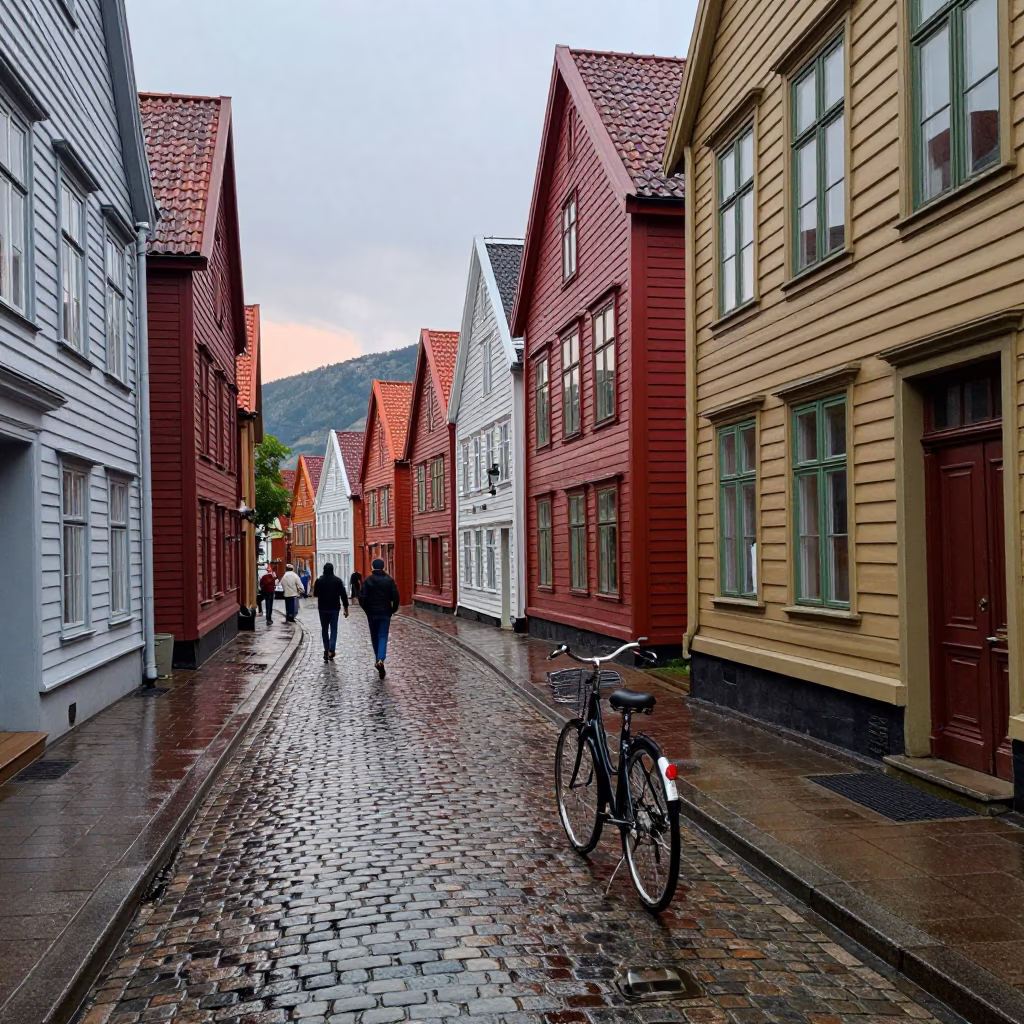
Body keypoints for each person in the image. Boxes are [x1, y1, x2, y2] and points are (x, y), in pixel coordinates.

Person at [359, 557, 400, 678]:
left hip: (372, 613)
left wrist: (367, 610)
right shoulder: (389, 580)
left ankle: (378, 659)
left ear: (373, 567)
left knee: (374, 636)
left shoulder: (368, 581)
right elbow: (396, 597)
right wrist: (393, 609)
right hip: (385, 612)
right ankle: (380, 659)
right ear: (383, 567)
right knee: (383, 636)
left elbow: (362, 598)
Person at [312, 562, 349, 661]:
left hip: (323, 608)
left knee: (324, 629)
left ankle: (326, 649)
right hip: (334, 608)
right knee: (333, 628)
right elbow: (343, 595)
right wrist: (346, 607)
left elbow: (315, 594)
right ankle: (332, 649)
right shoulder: (338, 581)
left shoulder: (319, 581)